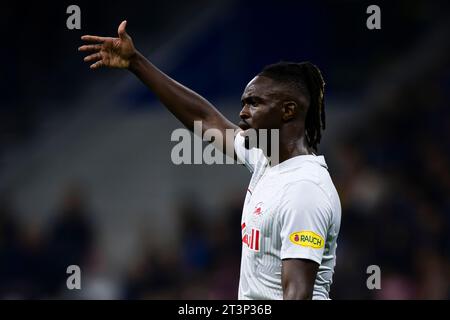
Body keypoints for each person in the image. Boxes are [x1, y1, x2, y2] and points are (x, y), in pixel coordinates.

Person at [79, 20, 341, 300]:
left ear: (288, 110)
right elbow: (205, 118)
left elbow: (297, 295)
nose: (242, 113)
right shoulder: (267, 160)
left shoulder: (304, 190)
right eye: (243, 103)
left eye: (254, 103)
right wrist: (136, 63)